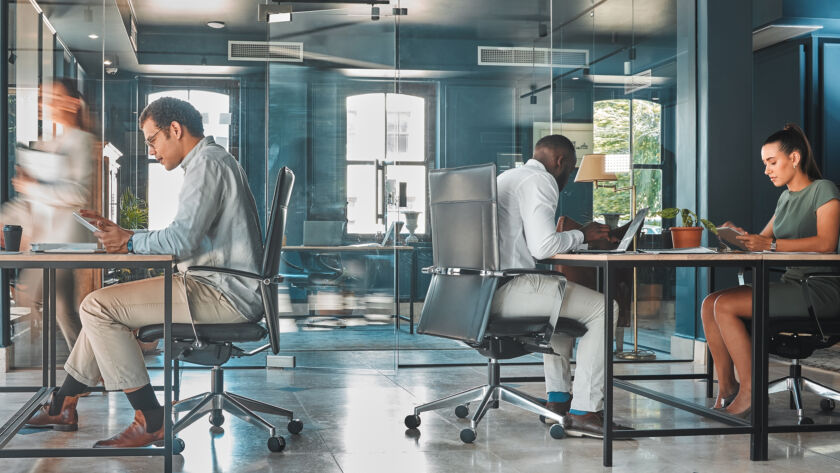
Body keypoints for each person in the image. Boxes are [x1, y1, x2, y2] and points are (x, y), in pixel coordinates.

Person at [25, 97, 265, 448]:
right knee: (101, 307)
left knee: (97, 307)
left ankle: (150, 419)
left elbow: (181, 240)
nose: (152, 150)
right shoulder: (211, 162)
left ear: (176, 130)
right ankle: (64, 404)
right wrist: (127, 236)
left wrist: (129, 241)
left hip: (223, 293)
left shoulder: (206, 165)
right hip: (217, 284)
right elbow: (186, 235)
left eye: (152, 140)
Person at [492, 134, 626, 438]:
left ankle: (559, 401)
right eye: (571, 168)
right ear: (560, 161)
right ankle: (586, 411)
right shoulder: (540, 180)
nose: (569, 176)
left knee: (563, 307)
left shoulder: (507, 177)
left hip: (482, 292)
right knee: (606, 308)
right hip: (509, 288)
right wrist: (584, 235)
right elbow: (543, 248)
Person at [702, 123, 840, 418]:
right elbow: (764, 244)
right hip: (793, 285)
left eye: (772, 162)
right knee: (709, 303)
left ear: (795, 158)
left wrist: (771, 244)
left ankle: (751, 391)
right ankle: (727, 387)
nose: (767, 170)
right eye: (765, 164)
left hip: (818, 289)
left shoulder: (823, 190)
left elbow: (827, 243)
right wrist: (741, 238)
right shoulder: (785, 198)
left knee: (724, 305)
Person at [0, 77, 95, 349]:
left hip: (65, 240)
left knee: (53, 304)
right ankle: (92, 370)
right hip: (45, 239)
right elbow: (30, 198)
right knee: (61, 307)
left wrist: (35, 185)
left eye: (51, 97)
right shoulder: (47, 143)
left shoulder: (81, 141)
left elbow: (77, 194)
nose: (44, 104)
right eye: (43, 98)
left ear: (72, 103)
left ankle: (90, 370)